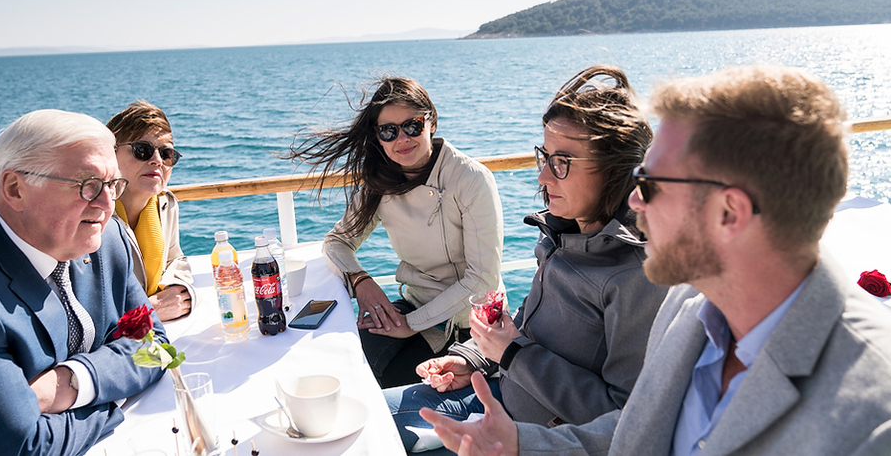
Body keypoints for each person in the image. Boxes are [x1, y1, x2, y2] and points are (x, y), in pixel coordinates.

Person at [420, 65, 891, 456]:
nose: (637, 204)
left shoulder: (870, 422)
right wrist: (523, 443)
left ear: (730, 213)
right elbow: (637, 434)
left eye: (651, 183)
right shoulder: (691, 305)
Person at [384, 66, 668, 453]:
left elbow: (624, 421)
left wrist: (513, 354)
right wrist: (473, 357)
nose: (543, 178)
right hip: (497, 393)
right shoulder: (565, 232)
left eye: (562, 163)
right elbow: (535, 323)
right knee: (362, 417)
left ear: (617, 171)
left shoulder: (638, 275)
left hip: (539, 438)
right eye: (544, 157)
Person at [0, 109, 167, 455]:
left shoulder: (108, 238)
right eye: (88, 185)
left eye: (112, 184)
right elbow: (20, 448)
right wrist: (114, 399)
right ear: (15, 189)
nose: (108, 204)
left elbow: (154, 346)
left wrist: (72, 384)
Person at [289, 76, 504, 387]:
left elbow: (482, 280)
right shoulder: (382, 182)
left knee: (382, 382)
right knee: (341, 359)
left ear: (431, 122)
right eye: (388, 131)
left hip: (467, 324)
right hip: (414, 305)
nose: (402, 138)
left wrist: (410, 324)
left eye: (412, 125)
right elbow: (338, 241)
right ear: (378, 138)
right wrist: (360, 281)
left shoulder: (470, 179)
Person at [106, 101, 193, 321]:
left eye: (166, 154)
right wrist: (145, 313)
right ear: (111, 155)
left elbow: (176, 259)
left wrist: (179, 291)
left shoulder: (166, 205)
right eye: (142, 150)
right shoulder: (93, 216)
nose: (157, 161)